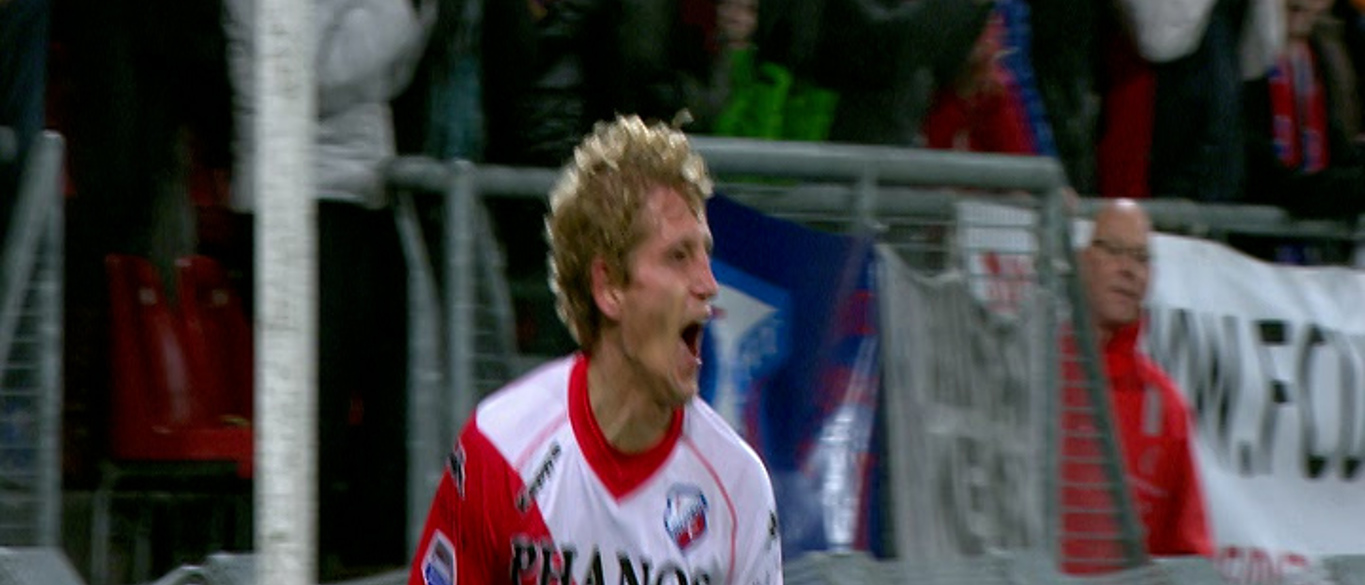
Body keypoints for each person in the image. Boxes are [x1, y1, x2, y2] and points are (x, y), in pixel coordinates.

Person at [408, 115, 784, 585]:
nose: (709, 285)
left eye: (706, 255)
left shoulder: (738, 486)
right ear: (609, 287)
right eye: (678, 256)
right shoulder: (500, 448)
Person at [1075, 199, 1213, 558]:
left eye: (1140, 258)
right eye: (1114, 251)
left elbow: (1190, 553)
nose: (1129, 270)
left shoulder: (1167, 408)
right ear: (1083, 261)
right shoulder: (1033, 373)